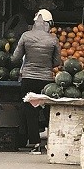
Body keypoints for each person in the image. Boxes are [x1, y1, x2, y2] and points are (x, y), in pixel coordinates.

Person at [10, 9, 62, 154]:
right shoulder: (53, 40)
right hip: (46, 80)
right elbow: (57, 62)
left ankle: (35, 144)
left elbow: (15, 58)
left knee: (30, 111)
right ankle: (52, 141)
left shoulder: (26, 37)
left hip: (28, 78)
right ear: (48, 24)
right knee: (48, 111)